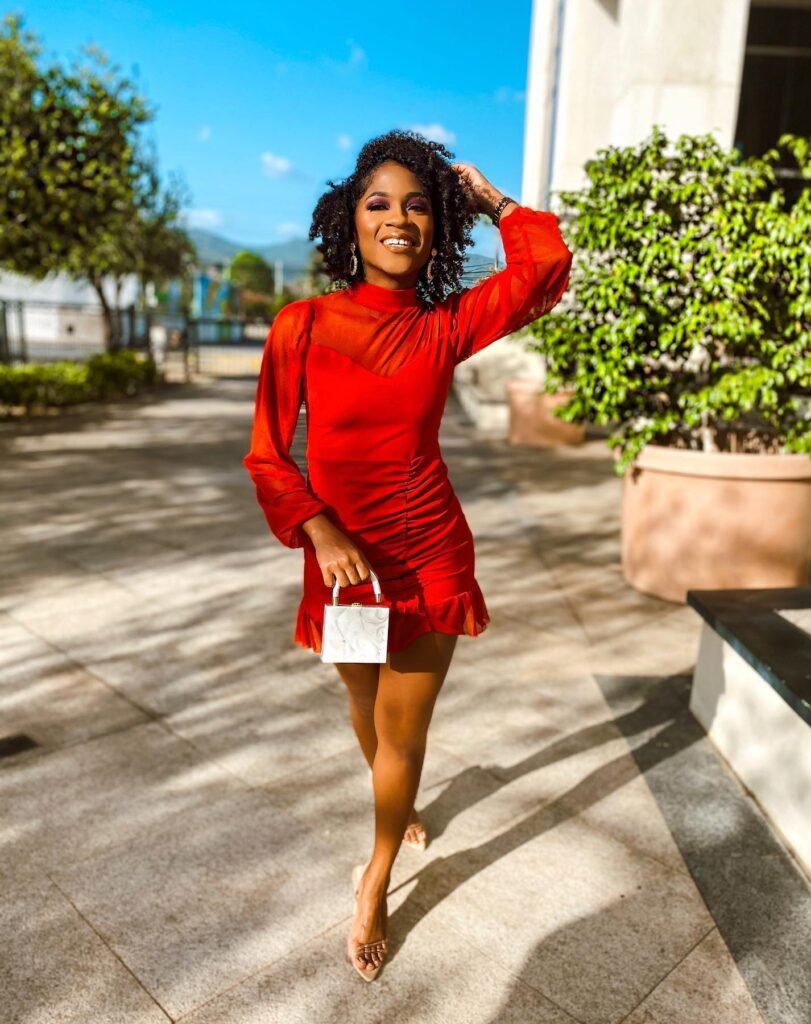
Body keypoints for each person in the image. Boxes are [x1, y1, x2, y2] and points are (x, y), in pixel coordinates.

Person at [243, 129, 573, 980]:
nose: (398, 218)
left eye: (419, 206)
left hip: (429, 557)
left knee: (402, 732)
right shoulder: (302, 325)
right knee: (366, 708)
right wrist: (319, 530)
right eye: (379, 203)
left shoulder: (443, 327)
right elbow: (267, 455)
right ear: (348, 221)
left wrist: (496, 203)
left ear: (437, 228)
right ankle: (399, 807)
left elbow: (541, 272)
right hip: (343, 564)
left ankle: (377, 875)